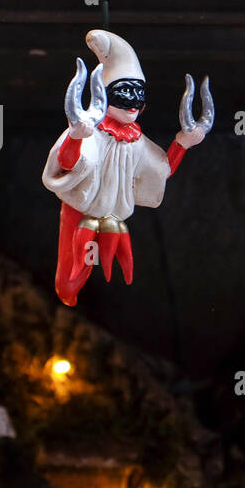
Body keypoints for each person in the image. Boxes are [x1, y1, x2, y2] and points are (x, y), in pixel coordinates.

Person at [42, 29, 212, 306]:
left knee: (81, 270)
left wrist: (182, 143)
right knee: (67, 280)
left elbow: (161, 169)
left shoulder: (137, 141)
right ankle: (68, 291)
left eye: (138, 94)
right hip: (78, 207)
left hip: (113, 216)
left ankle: (71, 290)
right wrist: (76, 136)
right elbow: (66, 164)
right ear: (105, 94)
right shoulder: (91, 130)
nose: (132, 102)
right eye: (124, 93)